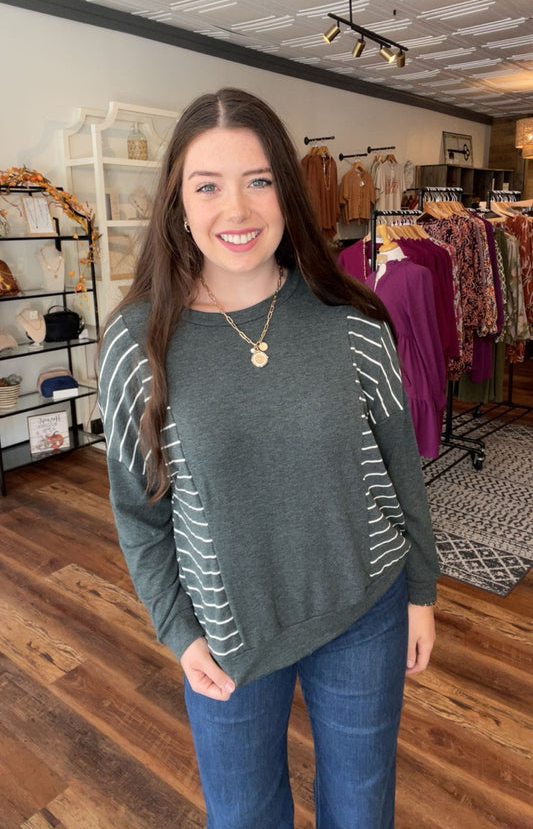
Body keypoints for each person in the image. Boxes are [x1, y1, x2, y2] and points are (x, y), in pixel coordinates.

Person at [98, 87, 440, 828]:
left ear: (286, 189)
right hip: (226, 635)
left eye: (258, 180)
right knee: (244, 816)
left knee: (359, 809)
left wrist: (420, 588)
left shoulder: (352, 322)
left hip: (363, 610)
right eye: (207, 185)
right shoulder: (137, 345)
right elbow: (138, 510)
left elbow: (399, 467)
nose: (237, 210)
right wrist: (176, 629)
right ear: (176, 203)